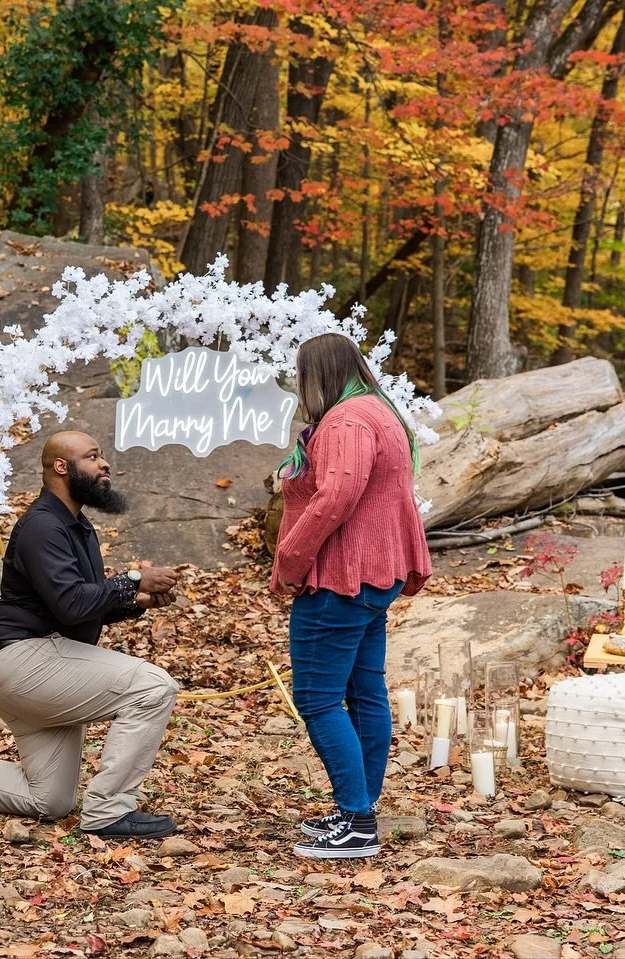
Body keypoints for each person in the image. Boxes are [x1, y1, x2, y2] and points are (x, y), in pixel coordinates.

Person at [0, 431, 184, 839]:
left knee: (49, 799)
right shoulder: (41, 526)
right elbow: (70, 604)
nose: (104, 464)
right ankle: (108, 813)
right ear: (61, 467)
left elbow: (80, 606)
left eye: (102, 456)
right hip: (25, 661)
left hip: (41, 666)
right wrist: (134, 578)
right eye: (92, 457)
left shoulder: (77, 527)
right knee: (154, 687)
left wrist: (135, 600)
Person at [271, 333, 432, 859]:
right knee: (365, 693)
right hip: (375, 574)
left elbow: (336, 496)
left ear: (315, 374)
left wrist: (290, 562)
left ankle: (358, 824)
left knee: (317, 698)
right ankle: (356, 809)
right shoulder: (380, 410)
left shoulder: (346, 420)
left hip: (343, 577)